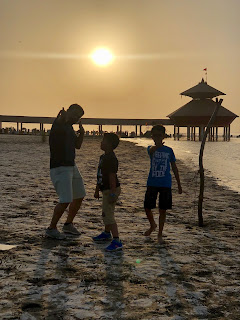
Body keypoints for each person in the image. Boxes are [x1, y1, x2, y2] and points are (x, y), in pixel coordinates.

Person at [46, 104, 86, 239]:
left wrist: (82, 134)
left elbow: (78, 146)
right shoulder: (60, 122)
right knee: (65, 200)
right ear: (68, 111)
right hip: (59, 167)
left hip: (71, 165)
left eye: (78, 117)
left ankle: (68, 224)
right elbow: (61, 119)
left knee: (80, 194)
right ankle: (51, 228)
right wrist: (64, 115)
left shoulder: (69, 127)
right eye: (74, 114)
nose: (76, 118)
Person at [144, 125, 182, 244]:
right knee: (147, 207)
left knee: (162, 210)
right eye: (154, 135)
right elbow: (151, 151)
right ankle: (152, 225)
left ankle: (160, 234)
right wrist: (157, 145)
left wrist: (179, 184)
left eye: (159, 135)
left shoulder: (169, 150)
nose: (157, 138)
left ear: (163, 136)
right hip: (152, 182)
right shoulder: (151, 148)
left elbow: (174, 167)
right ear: (152, 136)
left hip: (166, 183)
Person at [93, 133, 122, 251]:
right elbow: (99, 174)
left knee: (108, 215)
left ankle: (117, 240)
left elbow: (112, 176)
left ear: (109, 144)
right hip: (105, 188)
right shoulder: (103, 157)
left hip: (111, 189)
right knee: (106, 211)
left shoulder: (111, 159)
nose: (101, 142)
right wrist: (96, 189)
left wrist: (113, 192)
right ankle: (106, 233)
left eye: (103, 141)